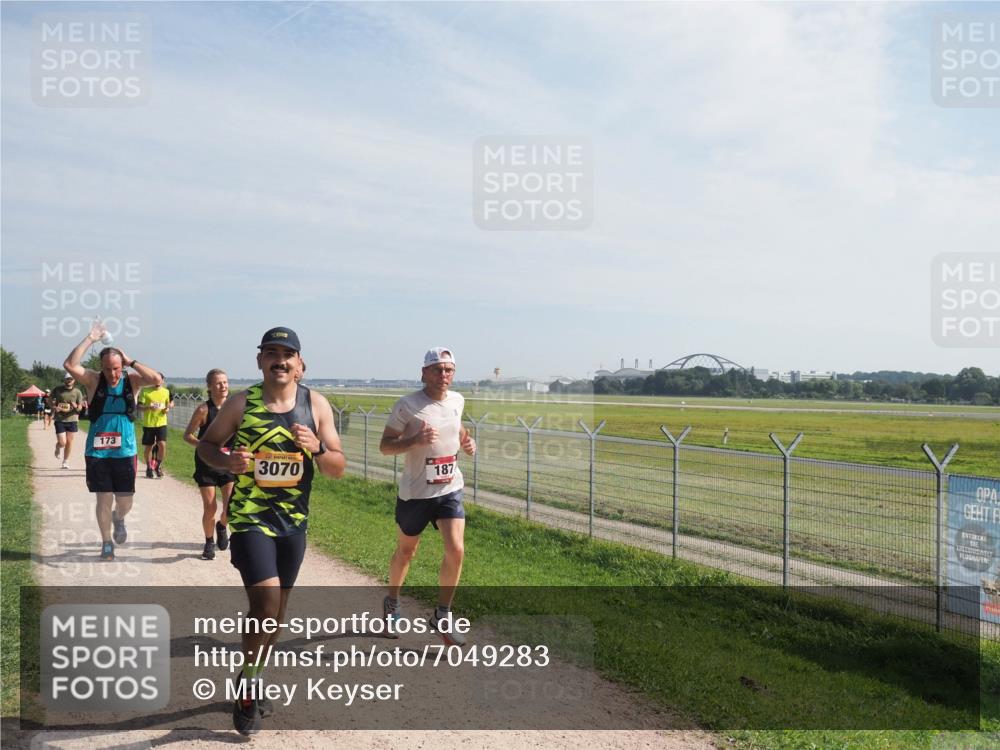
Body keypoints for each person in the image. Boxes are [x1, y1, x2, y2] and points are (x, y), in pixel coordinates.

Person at [197, 327, 345, 736]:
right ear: (259, 360)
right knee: (265, 601)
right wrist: (228, 463)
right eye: (271, 353)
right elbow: (206, 447)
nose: (280, 360)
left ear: (300, 365)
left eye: (288, 354)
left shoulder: (316, 405)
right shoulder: (242, 404)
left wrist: (317, 447)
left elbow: (337, 467)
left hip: (293, 524)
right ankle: (247, 687)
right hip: (248, 519)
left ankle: (253, 671)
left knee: (277, 613)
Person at [379, 347, 476, 647]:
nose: (443, 375)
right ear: (424, 373)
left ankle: (443, 614)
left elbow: (457, 427)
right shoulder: (408, 406)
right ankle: (392, 602)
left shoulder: (458, 400)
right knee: (406, 552)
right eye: (437, 369)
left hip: (449, 488)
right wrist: (413, 440)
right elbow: (385, 445)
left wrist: (468, 441)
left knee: (456, 548)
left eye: (448, 370)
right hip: (416, 493)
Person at [64, 322, 162, 561]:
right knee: (103, 497)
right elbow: (69, 365)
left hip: (125, 451)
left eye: (117, 368)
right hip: (98, 452)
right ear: (101, 367)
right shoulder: (93, 381)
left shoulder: (133, 381)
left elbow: (157, 379)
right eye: (108, 369)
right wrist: (91, 338)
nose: (113, 374)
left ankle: (120, 517)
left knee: (125, 501)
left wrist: (131, 362)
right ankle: (106, 542)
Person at [183, 369, 235, 561]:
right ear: (210, 387)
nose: (223, 386)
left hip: (228, 463)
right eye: (219, 383)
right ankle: (209, 542)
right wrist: (207, 447)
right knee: (210, 507)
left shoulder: (236, 408)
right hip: (207, 464)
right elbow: (187, 435)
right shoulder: (204, 410)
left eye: (225, 382)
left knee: (230, 507)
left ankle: (222, 526)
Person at [137, 374, 172, 478]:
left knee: (162, 445)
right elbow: (139, 407)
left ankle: (158, 466)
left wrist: (167, 409)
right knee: (149, 447)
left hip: (161, 422)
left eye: (159, 380)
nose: (157, 382)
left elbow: (168, 405)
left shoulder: (166, 392)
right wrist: (148, 407)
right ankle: (148, 467)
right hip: (149, 423)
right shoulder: (145, 391)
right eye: (155, 380)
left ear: (163, 381)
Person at [51, 373, 85, 469]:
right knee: (62, 442)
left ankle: (65, 461)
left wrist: (76, 407)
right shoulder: (58, 390)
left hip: (72, 419)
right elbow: (49, 399)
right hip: (60, 419)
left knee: (69, 442)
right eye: (67, 379)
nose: (69, 380)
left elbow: (80, 408)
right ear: (64, 380)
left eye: (71, 379)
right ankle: (58, 447)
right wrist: (54, 407)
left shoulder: (77, 392)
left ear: (74, 380)